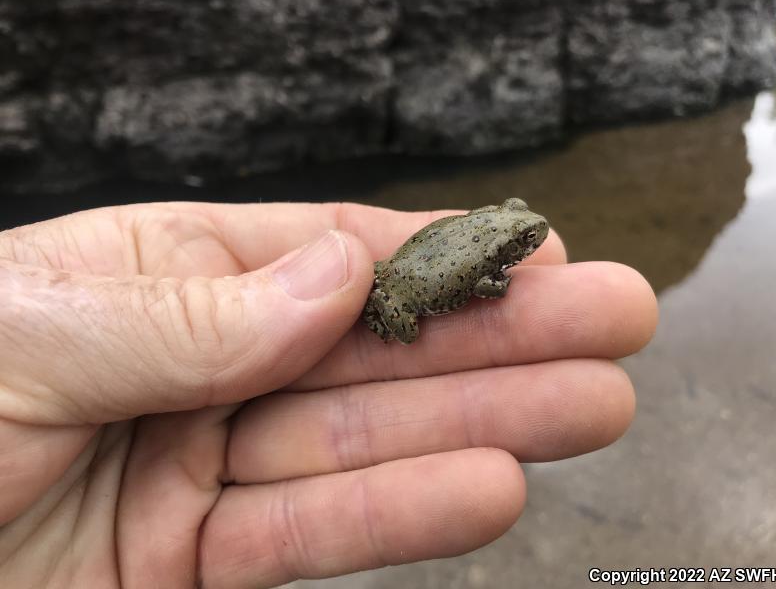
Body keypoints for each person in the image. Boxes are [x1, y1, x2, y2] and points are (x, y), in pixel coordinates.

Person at [0, 201, 657, 587]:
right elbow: (487, 288)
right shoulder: (495, 264)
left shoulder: (483, 234)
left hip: (388, 270)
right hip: (404, 293)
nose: (531, 237)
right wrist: (501, 284)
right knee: (405, 331)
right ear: (509, 240)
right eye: (523, 236)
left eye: (522, 232)